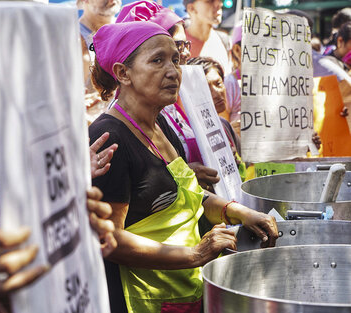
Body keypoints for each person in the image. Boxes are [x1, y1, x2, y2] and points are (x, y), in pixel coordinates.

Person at [89, 21, 278, 313]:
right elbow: (109, 238)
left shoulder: (160, 123)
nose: (173, 71)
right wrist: (196, 253)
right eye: (157, 60)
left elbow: (187, 195)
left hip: (182, 290)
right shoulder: (109, 138)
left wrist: (238, 212)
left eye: (175, 59)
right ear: (122, 73)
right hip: (141, 299)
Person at [115, 0, 221, 190]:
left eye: (184, 46)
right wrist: (184, 176)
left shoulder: (166, 108)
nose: (186, 53)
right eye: (178, 45)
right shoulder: (118, 127)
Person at [183, 0, 231, 76]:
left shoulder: (224, 40)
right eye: (210, 1)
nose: (219, 4)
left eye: (220, 0)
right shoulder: (177, 43)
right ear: (191, 8)